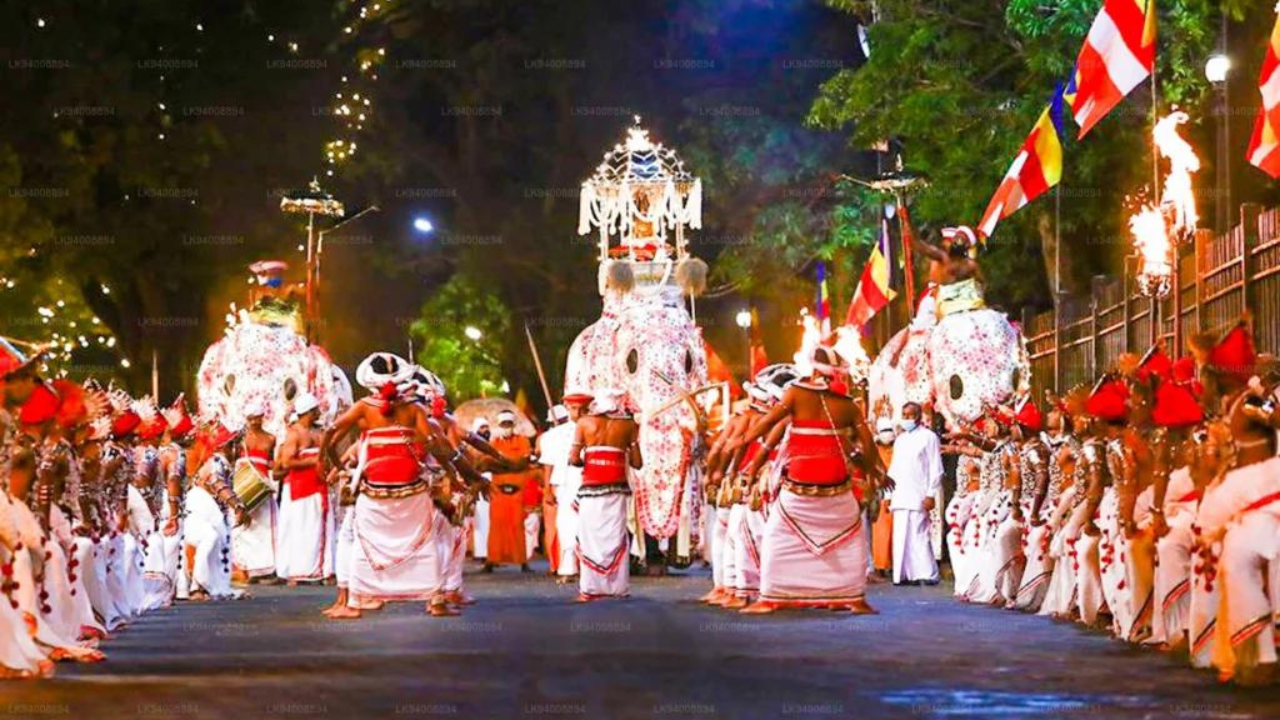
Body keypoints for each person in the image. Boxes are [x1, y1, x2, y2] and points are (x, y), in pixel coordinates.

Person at [731, 346, 884, 615]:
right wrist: (876, 474)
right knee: (850, 544)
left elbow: (767, 424)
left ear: (813, 371)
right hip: (833, 496)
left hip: (801, 495)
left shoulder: (796, 394)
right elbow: (867, 446)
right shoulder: (848, 406)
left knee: (776, 539)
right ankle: (854, 598)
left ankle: (770, 598)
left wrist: (743, 441)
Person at [320, 353, 459, 618]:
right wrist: (453, 472)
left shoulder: (363, 408)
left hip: (376, 491)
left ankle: (354, 604)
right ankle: (437, 601)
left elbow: (330, 433)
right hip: (413, 490)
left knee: (362, 543)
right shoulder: (415, 410)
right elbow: (432, 444)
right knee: (427, 541)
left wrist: (330, 463)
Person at [569, 388, 641, 601]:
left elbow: (574, 459)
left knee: (591, 538)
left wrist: (588, 460)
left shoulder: (584, 424)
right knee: (616, 536)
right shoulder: (628, 425)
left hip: (591, 488)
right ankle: (618, 589)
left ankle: (589, 590)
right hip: (617, 488)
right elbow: (637, 462)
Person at [184, 424, 247, 600]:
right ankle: (198, 586)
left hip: (212, 510)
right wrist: (237, 505)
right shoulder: (217, 463)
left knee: (218, 543)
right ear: (228, 445)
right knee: (210, 539)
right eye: (237, 443)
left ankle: (210, 586)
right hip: (200, 508)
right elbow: (217, 484)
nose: (240, 448)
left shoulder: (224, 462)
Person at [887, 402, 943, 586]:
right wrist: (888, 496)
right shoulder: (900, 440)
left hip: (919, 493)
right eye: (904, 414)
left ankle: (927, 574)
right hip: (900, 494)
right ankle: (903, 575)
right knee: (900, 536)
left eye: (911, 415)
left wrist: (930, 494)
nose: (907, 418)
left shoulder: (929, 437)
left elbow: (936, 468)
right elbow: (893, 470)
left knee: (919, 535)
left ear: (919, 416)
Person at [275, 393, 328, 585]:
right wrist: (312, 460)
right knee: (300, 529)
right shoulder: (295, 433)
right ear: (309, 412)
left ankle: (318, 570)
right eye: (316, 410)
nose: (319, 412)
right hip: (300, 488)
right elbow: (287, 461)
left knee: (316, 528)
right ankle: (300, 570)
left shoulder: (320, 432)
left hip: (319, 485)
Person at [539, 397, 589, 583]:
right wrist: (547, 490)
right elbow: (548, 464)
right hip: (564, 484)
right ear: (568, 409)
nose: (577, 413)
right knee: (566, 525)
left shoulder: (594, 430)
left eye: (581, 409)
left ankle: (589, 568)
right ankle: (568, 568)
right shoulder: (553, 435)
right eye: (574, 408)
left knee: (587, 526)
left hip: (588, 483)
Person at [232, 402, 278, 583]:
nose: (253, 422)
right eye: (250, 419)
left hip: (263, 484)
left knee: (265, 527)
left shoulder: (271, 439)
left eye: (256, 418)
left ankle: (264, 569)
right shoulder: (240, 440)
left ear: (262, 418)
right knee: (244, 527)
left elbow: (272, 462)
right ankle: (245, 568)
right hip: (243, 483)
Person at [483, 410, 533, 573]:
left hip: (517, 490)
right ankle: (491, 560)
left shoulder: (523, 441)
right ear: (499, 426)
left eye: (509, 424)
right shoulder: (494, 443)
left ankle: (522, 561)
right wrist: (512, 464)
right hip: (498, 491)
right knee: (496, 525)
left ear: (513, 425)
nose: (506, 428)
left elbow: (523, 464)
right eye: (503, 425)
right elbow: (489, 464)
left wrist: (503, 463)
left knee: (517, 525)